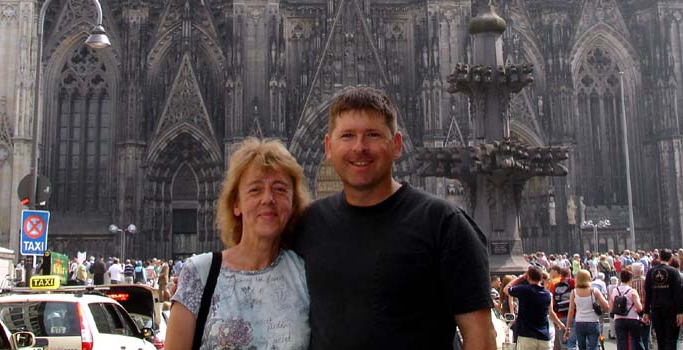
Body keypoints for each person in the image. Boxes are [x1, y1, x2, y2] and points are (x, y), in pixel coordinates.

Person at [293, 86, 495, 350]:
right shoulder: (309, 223)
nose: (359, 147)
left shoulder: (444, 223)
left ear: (397, 145)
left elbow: (480, 336)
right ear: (329, 147)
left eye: (373, 135)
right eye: (348, 136)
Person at [166, 137, 311, 349]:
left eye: (280, 189)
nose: (268, 199)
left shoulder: (305, 274)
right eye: (255, 189)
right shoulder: (199, 274)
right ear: (236, 204)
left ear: (292, 204)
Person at [504, 266, 565, 350]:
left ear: (528, 277)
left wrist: (521, 278)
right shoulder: (547, 294)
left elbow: (506, 289)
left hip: (527, 336)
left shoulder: (524, 290)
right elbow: (550, 313)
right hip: (544, 337)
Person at [643, 248, 683, 350]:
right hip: (671, 309)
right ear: (671, 259)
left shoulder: (651, 272)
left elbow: (648, 293)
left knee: (661, 339)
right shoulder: (674, 272)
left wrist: (646, 311)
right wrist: (680, 312)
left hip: (656, 308)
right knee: (671, 339)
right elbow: (678, 293)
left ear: (659, 257)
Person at [564, 269, 610, 350]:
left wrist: (567, 327)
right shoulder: (594, 291)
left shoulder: (574, 292)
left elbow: (571, 311)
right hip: (593, 321)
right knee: (594, 347)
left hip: (579, 322)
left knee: (582, 347)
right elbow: (606, 306)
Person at [608, 269, 643, 350]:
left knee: (621, 342)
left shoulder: (615, 290)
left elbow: (611, 306)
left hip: (619, 319)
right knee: (635, 341)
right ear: (630, 279)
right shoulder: (632, 291)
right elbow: (639, 307)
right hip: (632, 319)